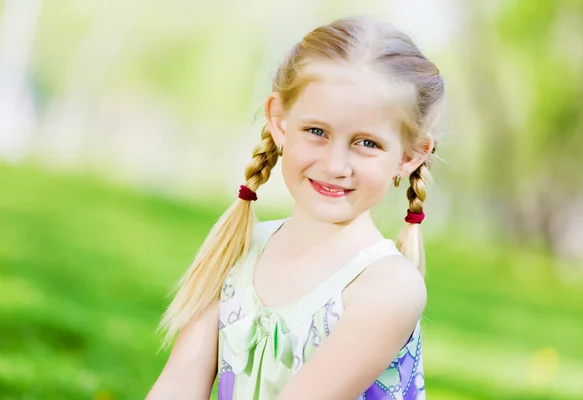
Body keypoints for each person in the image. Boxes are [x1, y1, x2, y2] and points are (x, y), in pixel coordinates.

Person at [147, 15, 444, 400]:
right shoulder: (239, 248)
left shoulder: (389, 287)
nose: (336, 165)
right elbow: (177, 387)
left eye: (367, 143)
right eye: (317, 131)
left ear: (409, 156)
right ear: (280, 122)